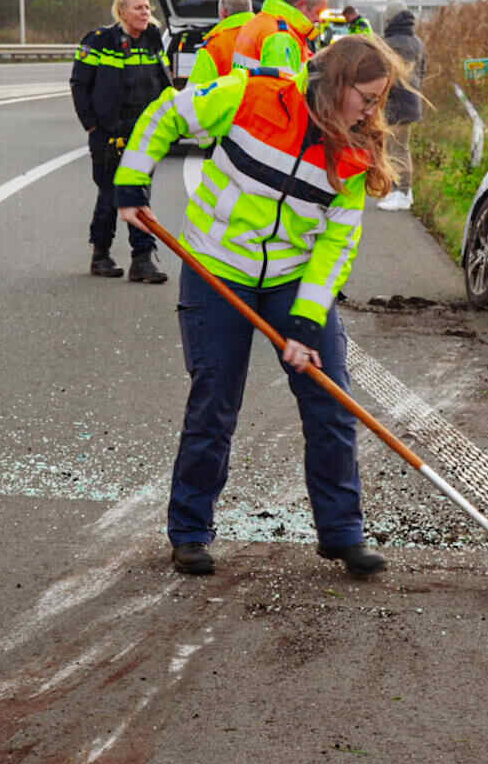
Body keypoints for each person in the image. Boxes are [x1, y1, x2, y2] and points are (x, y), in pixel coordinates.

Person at [114, 36, 409, 579]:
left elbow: (336, 244)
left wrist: (304, 320)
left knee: (331, 405)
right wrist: (132, 180)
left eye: (377, 101)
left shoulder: (352, 151)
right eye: (366, 97)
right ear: (339, 84)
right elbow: (166, 114)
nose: (372, 111)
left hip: (292, 281)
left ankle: (342, 534)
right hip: (216, 268)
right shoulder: (249, 96)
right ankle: (189, 532)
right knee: (214, 404)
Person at [71, 0, 172, 282]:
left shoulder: (153, 39)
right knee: (110, 194)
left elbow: (163, 82)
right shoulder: (100, 41)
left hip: (143, 134)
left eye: (148, 7)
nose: (146, 13)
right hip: (108, 134)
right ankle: (100, 253)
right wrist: (92, 125)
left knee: (139, 192)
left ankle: (142, 259)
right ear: (122, 11)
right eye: (139, 7)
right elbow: (79, 84)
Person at [231, 0, 331, 77]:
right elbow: (280, 89)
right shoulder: (281, 37)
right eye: (318, 12)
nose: (319, 19)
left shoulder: (260, 21)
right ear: (302, 6)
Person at [377, 8, 425, 211]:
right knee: (400, 148)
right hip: (412, 100)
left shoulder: (390, 44)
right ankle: (406, 192)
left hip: (396, 102)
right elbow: (423, 71)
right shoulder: (417, 42)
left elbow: (383, 75)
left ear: (392, 20)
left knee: (395, 150)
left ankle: (400, 193)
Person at [186, 0, 256, 92]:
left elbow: (194, 93)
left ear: (224, 12)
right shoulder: (268, 36)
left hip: (229, 107)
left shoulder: (214, 46)